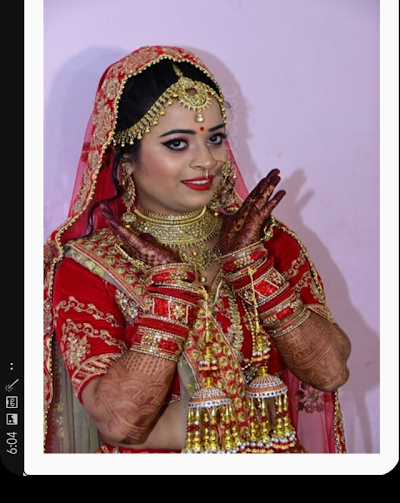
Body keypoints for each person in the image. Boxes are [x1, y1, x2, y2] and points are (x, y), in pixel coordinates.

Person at [44, 45, 351, 454]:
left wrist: (253, 269)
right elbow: (121, 423)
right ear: (126, 158)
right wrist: (171, 294)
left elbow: (329, 372)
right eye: (177, 144)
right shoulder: (89, 267)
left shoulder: (267, 243)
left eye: (215, 138)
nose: (206, 160)